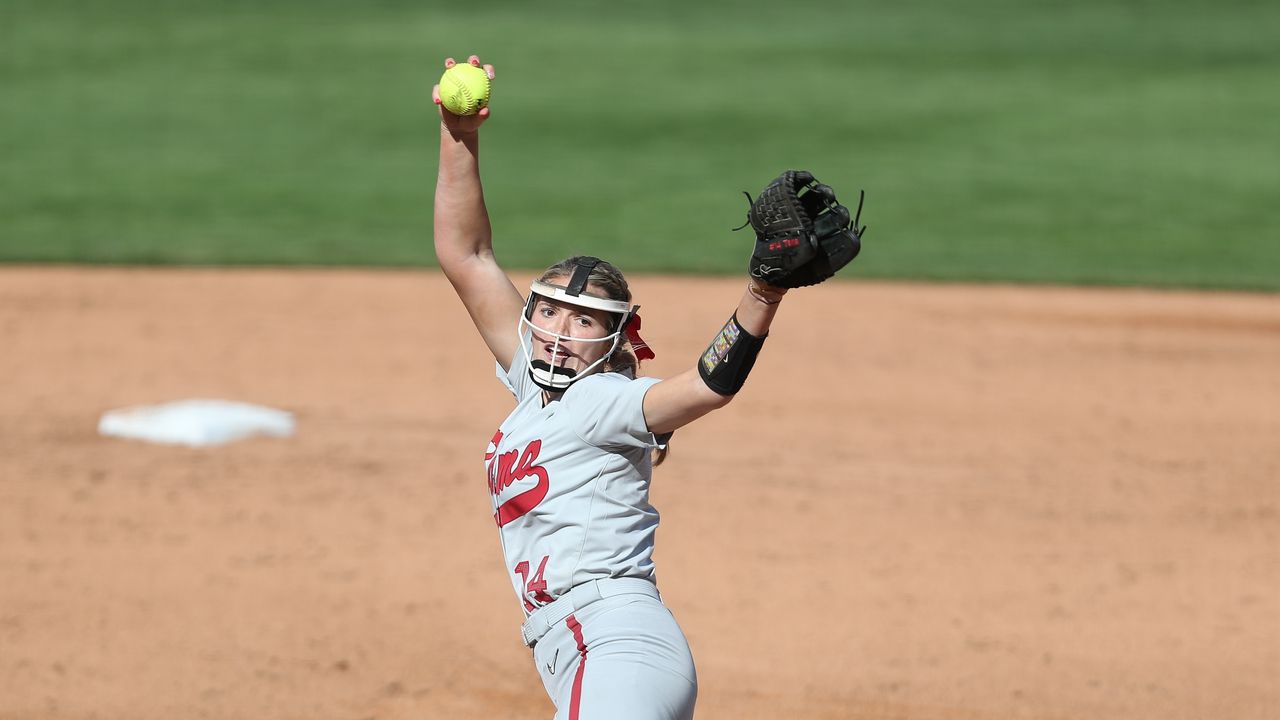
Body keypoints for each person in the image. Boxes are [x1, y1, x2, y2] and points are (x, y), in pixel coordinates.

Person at [432, 55, 862, 720]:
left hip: (619, 646)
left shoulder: (603, 402)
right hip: (581, 653)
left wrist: (763, 291)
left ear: (612, 339)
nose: (557, 329)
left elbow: (706, 387)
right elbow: (468, 255)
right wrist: (459, 132)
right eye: (547, 310)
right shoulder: (530, 386)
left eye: (583, 321)